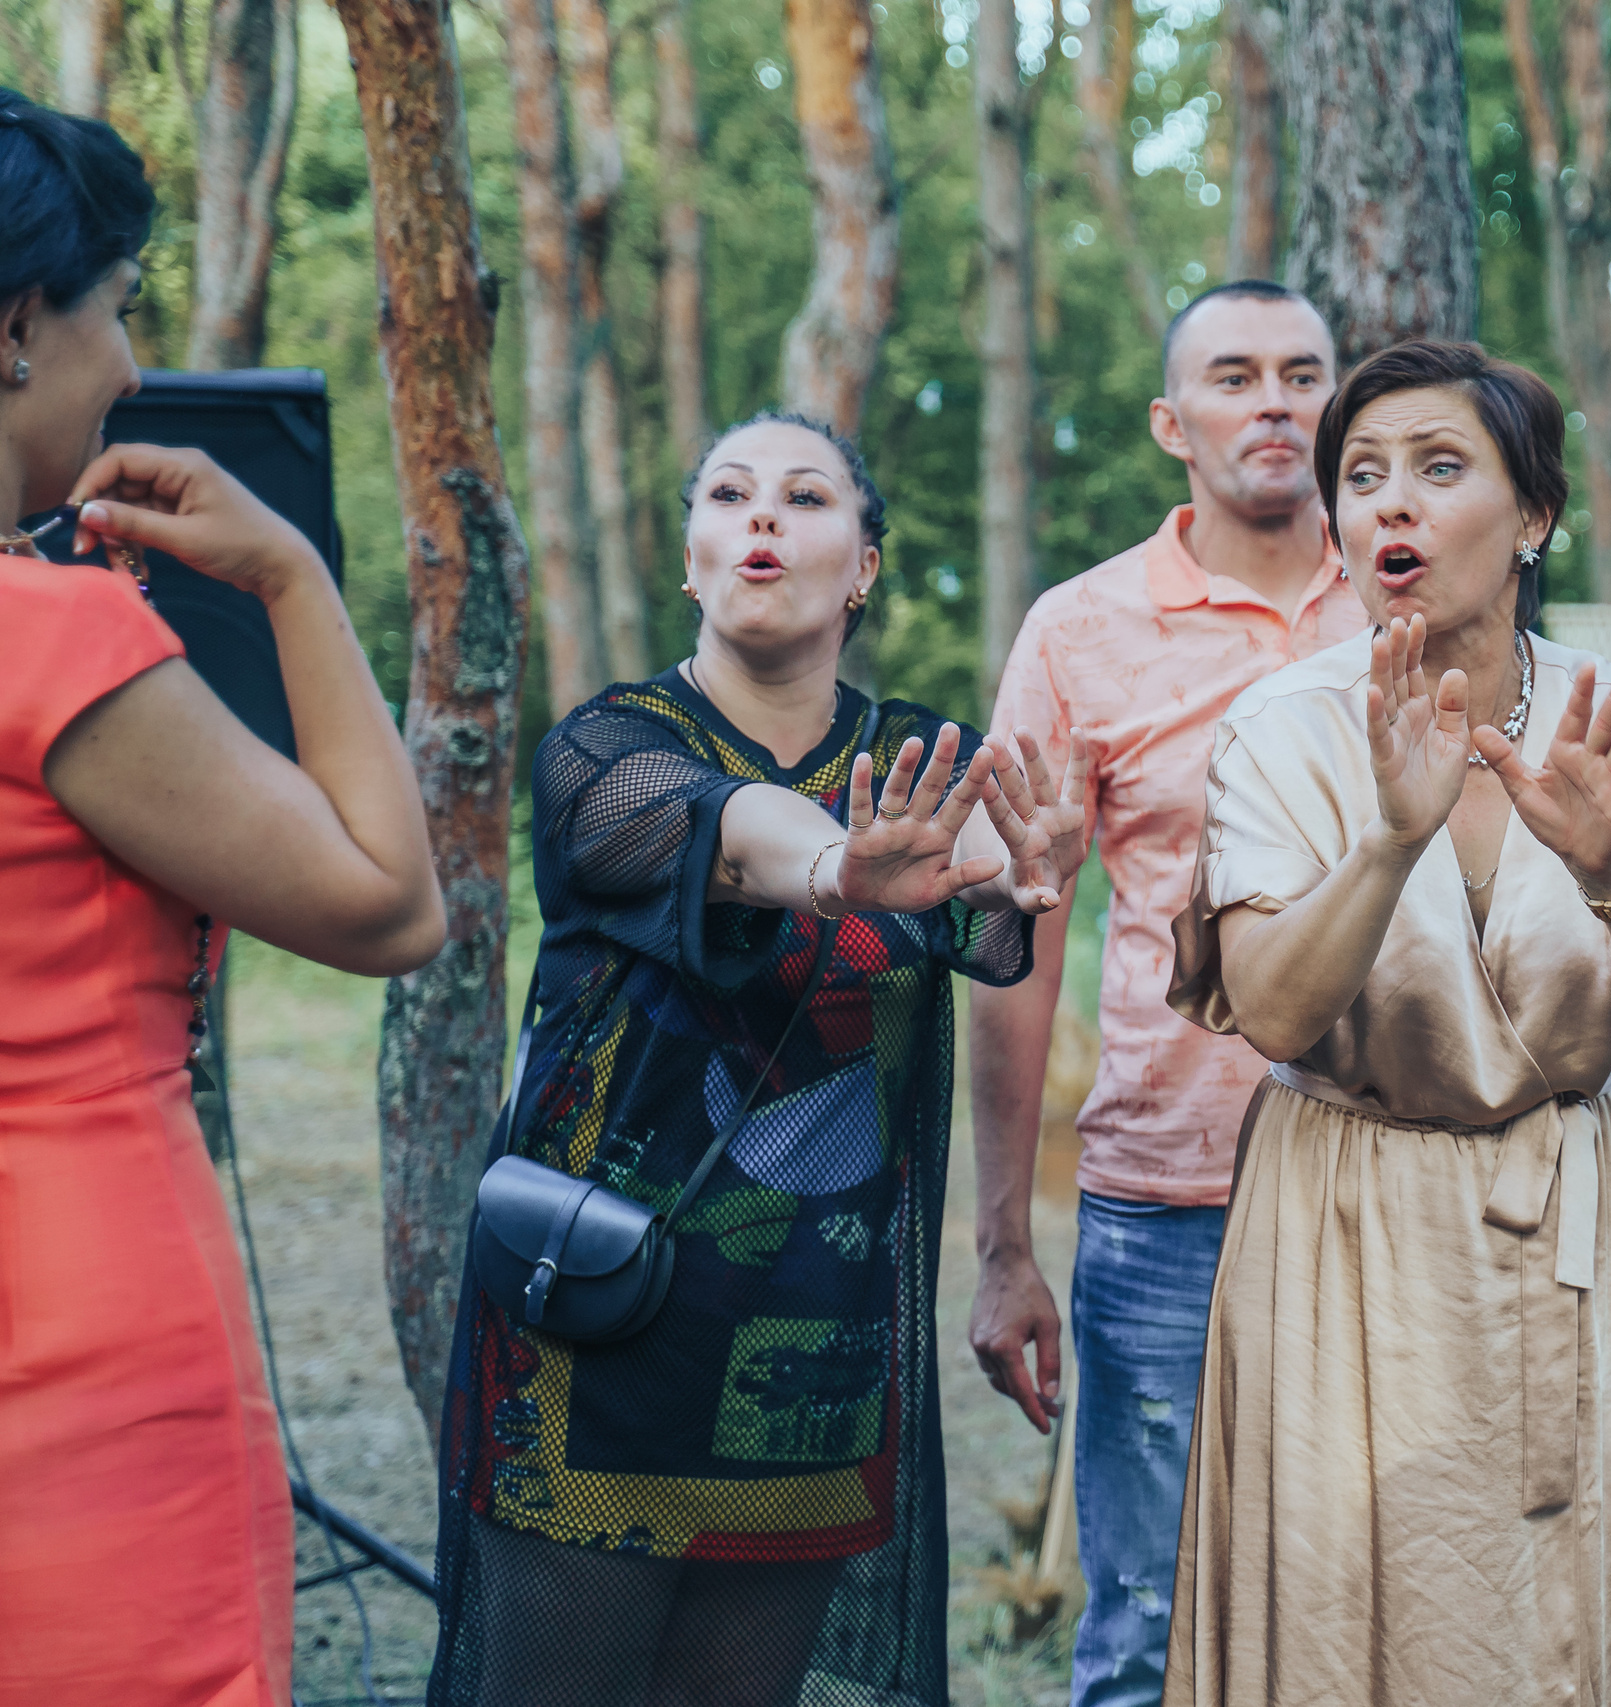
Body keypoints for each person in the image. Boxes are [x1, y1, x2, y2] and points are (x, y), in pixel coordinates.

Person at [426, 411, 1088, 1707]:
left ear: (865, 565)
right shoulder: (604, 748)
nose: (765, 517)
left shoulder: (918, 764)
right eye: (730, 493)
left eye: (806, 496)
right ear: (693, 559)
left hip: (810, 1361)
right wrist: (844, 866)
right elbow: (734, 835)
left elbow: (988, 921)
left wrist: (1027, 878)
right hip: (595, 1335)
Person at [1162, 339, 1611, 1706]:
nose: (1391, 506)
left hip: (1566, 1210)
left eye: (1440, 469)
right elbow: (1271, 1008)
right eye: (1361, 477)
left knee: (1558, 1602)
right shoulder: (1282, 727)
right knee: (1342, 1597)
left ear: (1533, 515)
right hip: (1347, 1223)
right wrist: (1388, 840)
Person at [0, 92, 446, 1706]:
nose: (130, 364)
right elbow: (387, 902)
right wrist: (288, 578)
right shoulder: (54, 639)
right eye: (116, 309)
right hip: (75, 1314)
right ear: (13, 329)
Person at [967, 279, 1365, 1707]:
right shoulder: (1081, 632)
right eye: (1237, 374)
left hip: (1393, 1182)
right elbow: (1018, 943)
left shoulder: (1411, 590)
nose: (1275, 400)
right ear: (1171, 422)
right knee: (1148, 1625)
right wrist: (1006, 1240)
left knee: (1368, 1610)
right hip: (1167, 1194)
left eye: (1305, 371)